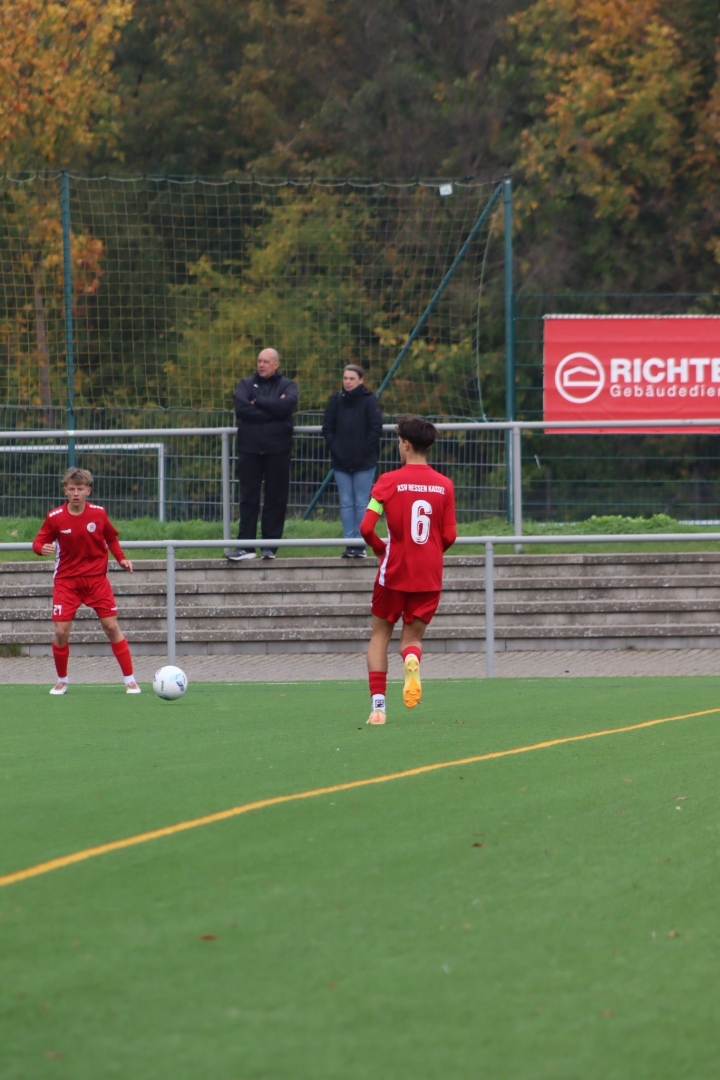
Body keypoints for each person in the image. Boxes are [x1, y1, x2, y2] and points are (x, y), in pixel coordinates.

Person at [359, 416, 456, 726]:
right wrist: (429, 552)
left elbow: (366, 527)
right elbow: (450, 535)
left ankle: (378, 708)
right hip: (428, 574)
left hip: (394, 572)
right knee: (411, 638)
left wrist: (380, 548)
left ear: (405, 444)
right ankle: (412, 658)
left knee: (380, 635)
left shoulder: (388, 481)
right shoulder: (444, 485)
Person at [32, 468, 140, 695]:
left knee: (111, 627)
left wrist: (121, 559)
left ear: (88, 491)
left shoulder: (99, 514)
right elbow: (38, 542)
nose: (76, 493)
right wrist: (42, 549)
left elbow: (111, 538)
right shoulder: (55, 517)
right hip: (66, 582)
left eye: (80, 489)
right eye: (71, 489)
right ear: (65, 490)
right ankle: (62, 681)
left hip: (96, 580)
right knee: (60, 632)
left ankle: (130, 680)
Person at [227, 348, 299, 561]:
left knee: (275, 498)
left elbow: (286, 407)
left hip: (278, 450)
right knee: (248, 498)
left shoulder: (287, 385)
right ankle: (245, 546)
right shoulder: (246, 384)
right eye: (259, 360)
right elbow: (242, 409)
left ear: (276, 364)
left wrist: (258, 401)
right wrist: (273, 408)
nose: (261, 365)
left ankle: (270, 546)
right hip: (249, 449)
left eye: (266, 361)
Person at [322, 364, 383, 558]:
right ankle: (349, 543)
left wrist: (363, 451)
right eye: (345, 378)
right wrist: (336, 450)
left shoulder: (369, 400)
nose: (347, 382)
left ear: (360, 380)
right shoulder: (336, 400)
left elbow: (375, 428)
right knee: (346, 502)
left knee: (361, 502)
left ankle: (361, 543)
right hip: (341, 461)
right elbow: (327, 428)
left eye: (352, 379)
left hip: (364, 462)